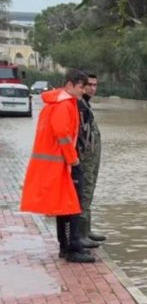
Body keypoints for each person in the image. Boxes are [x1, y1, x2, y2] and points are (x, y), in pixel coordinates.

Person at [20, 69, 95, 263]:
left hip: (58, 162)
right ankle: (72, 247)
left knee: (64, 205)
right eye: (81, 87)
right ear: (69, 85)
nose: (83, 91)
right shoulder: (64, 105)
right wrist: (74, 160)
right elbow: (63, 134)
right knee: (72, 206)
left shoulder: (58, 102)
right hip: (63, 162)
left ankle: (67, 246)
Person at [77, 73, 105, 247]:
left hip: (92, 159)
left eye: (95, 85)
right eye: (90, 85)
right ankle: (80, 235)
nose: (93, 88)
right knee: (84, 192)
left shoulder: (86, 105)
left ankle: (86, 230)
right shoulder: (78, 105)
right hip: (85, 159)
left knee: (90, 191)